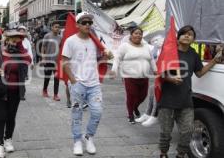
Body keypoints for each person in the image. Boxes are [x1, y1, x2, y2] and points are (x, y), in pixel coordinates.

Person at [158, 26, 222, 158]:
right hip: (167, 101)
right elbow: (159, 73)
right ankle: (163, 154)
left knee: (187, 132)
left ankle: (181, 154)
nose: (187, 36)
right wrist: (171, 79)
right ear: (178, 37)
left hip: (186, 100)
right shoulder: (169, 51)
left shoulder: (193, 54)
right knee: (165, 133)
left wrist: (214, 60)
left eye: (190, 34)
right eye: (184, 34)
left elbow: (199, 73)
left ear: (193, 39)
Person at [62, 12, 106, 156]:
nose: (88, 25)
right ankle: (77, 141)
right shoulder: (70, 41)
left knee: (97, 111)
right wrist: (73, 81)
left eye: (89, 23)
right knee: (77, 114)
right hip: (78, 83)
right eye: (84, 22)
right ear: (77, 25)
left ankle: (89, 137)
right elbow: (64, 62)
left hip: (94, 84)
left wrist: (107, 56)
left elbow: (101, 59)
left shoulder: (95, 41)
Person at [0, 29, 31, 158]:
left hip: (15, 90)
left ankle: (8, 139)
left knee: (11, 117)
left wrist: (20, 46)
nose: (15, 40)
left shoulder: (21, 52)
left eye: (18, 38)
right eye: (12, 38)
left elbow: (28, 61)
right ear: (6, 38)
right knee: (0, 117)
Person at [110, 27, 157, 124]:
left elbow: (151, 59)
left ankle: (135, 107)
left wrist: (155, 70)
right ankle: (130, 115)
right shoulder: (125, 46)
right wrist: (114, 70)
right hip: (129, 77)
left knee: (143, 96)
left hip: (144, 77)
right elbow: (117, 58)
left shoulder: (146, 46)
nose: (138, 35)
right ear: (131, 35)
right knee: (132, 96)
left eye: (140, 34)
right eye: (136, 33)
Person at [136, 34, 164, 127]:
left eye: (157, 40)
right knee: (152, 89)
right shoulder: (155, 50)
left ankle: (154, 115)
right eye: (154, 41)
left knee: (156, 90)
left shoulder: (164, 48)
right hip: (159, 74)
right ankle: (148, 113)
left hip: (166, 75)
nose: (156, 42)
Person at [41, 21, 61, 101]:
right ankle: (44, 90)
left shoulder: (60, 37)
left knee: (57, 78)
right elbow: (43, 47)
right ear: (52, 28)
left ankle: (55, 94)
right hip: (48, 60)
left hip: (56, 61)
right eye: (56, 27)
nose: (57, 28)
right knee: (47, 77)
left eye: (58, 27)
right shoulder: (47, 36)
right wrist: (43, 58)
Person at [17, 26, 34, 100]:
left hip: (24, 63)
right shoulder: (14, 39)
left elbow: (30, 52)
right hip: (15, 61)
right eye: (20, 31)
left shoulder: (26, 41)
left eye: (23, 31)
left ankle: (21, 94)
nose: (21, 32)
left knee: (22, 79)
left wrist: (32, 62)